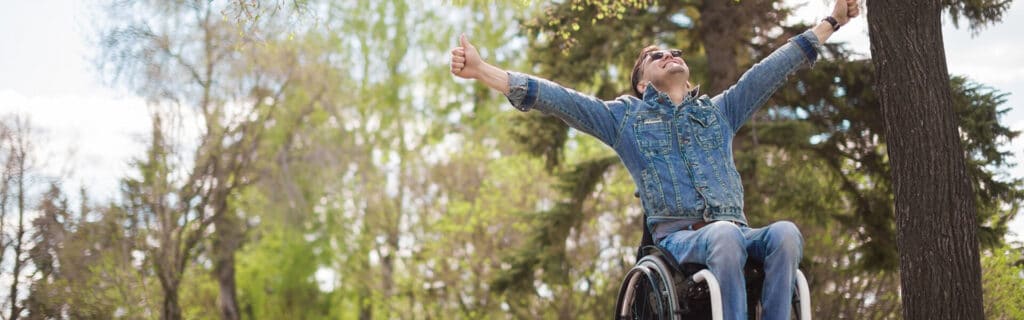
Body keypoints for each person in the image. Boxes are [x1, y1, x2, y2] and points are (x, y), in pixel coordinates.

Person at [450, 1, 860, 319]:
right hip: (679, 239)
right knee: (724, 236)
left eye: (676, 51)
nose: (672, 54)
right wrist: (484, 70)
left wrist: (832, 22)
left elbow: (772, 70)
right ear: (643, 82)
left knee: (785, 233)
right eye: (657, 55)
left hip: (735, 229)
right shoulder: (626, 118)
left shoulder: (719, 113)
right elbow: (561, 100)